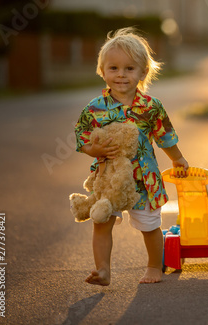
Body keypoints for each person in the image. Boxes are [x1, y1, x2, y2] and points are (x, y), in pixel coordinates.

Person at [74, 27, 188, 285]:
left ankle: (153, 266)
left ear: (143, 72)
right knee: (102, 221)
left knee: (149, 226)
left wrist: (177, 157)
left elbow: (165, 135)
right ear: (102, 71)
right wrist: (94, 149)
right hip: (108, 178)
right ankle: (103, 270)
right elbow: (81, 137)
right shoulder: (94, 109)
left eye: (129, 68)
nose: (121, 75)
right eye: (113, 68)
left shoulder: (151, 107)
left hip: (143, 179)